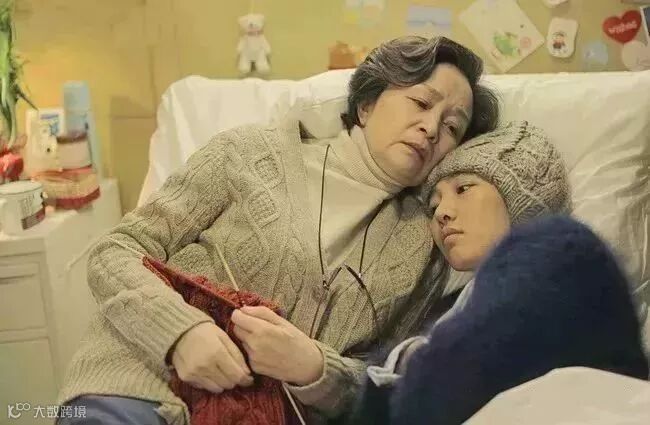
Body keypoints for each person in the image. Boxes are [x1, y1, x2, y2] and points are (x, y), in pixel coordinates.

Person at [55, 36, 500, 425]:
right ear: (366, 105)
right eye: (421, 103)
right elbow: (117, 249)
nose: (430, 128)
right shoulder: (248, 153)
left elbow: (386, 381)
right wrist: (179, 332)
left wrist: (316, 369)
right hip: (140, 383)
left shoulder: (422, 245)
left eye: (452, 127)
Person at [350, 121, 649, 425]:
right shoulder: (448, 308)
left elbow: (447, 388)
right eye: (433, 205)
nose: (441, 213)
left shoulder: (566, 250)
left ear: (522, 192)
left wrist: (404, 363)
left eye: (463, 189)